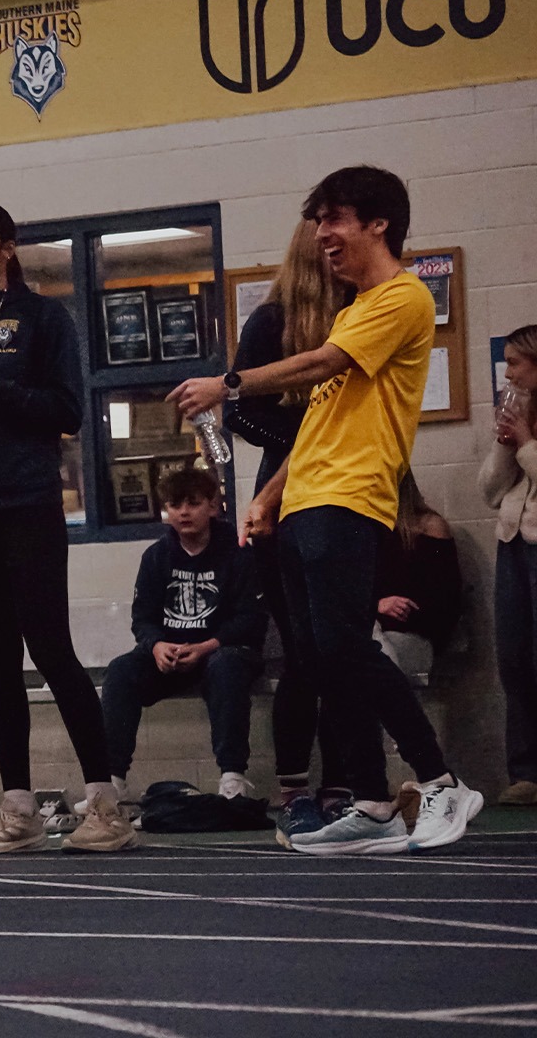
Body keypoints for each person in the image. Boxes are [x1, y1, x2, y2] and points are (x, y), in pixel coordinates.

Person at [171, 165, 481, 855]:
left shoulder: (401, 299)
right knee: (321, 657)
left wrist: (228, 383)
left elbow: (319, 365)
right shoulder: (355, 306)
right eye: (319, 221)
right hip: (308, 498)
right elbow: (319, 417)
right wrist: (268, 497)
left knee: (344, 647)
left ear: (378, 223)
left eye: (335, 218)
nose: (323, 235)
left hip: (351, 496)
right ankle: (371, 802)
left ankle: (440, 780)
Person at [0, 203, 136, 855]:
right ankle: (18, 810)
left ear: (6, 248)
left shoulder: (45, 318)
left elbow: (66, 412)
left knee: (51, 650)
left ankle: (105, 803)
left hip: (29, 506)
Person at [223, 221, 352, 841]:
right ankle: (297, 787)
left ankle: (349, 784)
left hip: (351, 483)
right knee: (301, 654)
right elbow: (240, 408)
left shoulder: (361, 312)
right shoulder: (271, 320)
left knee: (342, 649)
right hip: (285, 483)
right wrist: (304, 442)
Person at [100, 469, 265, 799]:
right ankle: (110, 783)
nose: (184, 512)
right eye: (175, 505)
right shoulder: (156, 556)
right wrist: (157, 645)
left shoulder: (238, 553)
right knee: (120, 671)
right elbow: (142, 619)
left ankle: (233, 777)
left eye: (194, 503)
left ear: (213, 507)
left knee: (227, 666)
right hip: (170, 655)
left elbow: (251, 618)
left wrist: (206, 646)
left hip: (223, 651)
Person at [480, 328, 537, 806]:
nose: (510, 373)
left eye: (517, 363)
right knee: (515, 658)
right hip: (513, 540)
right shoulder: (520, 417)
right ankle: (525, 771)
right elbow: (491, 489)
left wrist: (525, 444)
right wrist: (506, 441)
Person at [372, 472, 459, 679]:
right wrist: (376, 606)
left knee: (365, 651)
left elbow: (445, 602)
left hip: (414, 637)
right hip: (375, 633)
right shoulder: (366, 531)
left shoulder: (429, 528)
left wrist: (375, 609)